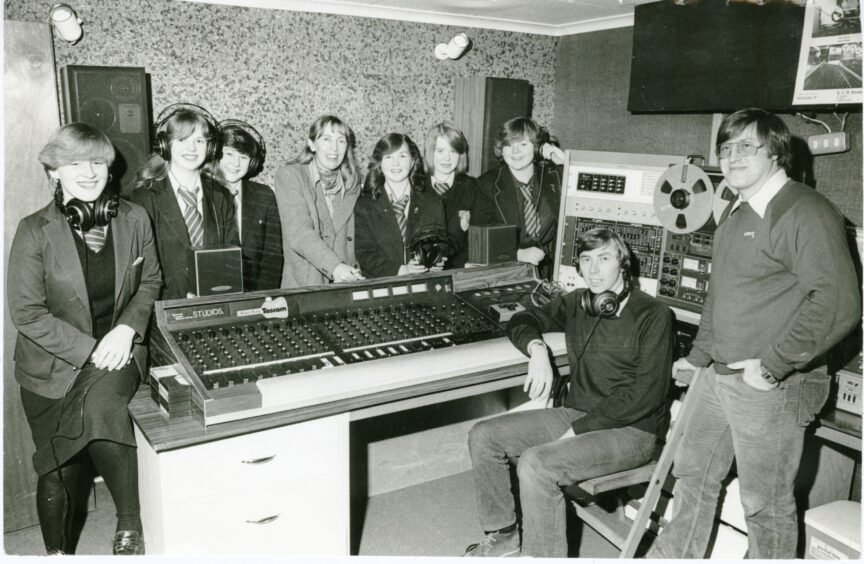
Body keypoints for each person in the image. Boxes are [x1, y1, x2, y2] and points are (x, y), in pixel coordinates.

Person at [647, 108, 861, 559]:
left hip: (771, 386)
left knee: (764, 505)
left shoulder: (806, 211)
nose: (732, 156)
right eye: (726, 147)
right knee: (692, 476)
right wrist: (699, 355)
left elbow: (839, 304)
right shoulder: (738, 210)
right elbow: (720, 294)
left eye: (747, 146)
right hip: (718, 377)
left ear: (777, 152)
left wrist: (772, 365)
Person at [464, 228, 673, 558]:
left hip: (632, 431)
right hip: (580, 413)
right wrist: (536, 350)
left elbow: (645, 395)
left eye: (604, 259)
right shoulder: (579, 303)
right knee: (483, 435)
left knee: (536, 464)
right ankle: (503, 535)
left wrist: (578, 429)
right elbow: (521, 317)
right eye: (586, 260)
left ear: (623, 264)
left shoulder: (654, 315)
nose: (593, 269)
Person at [7, 123, 162, 555]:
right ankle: (57, 551)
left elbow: (149, 280)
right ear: (54, 172)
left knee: (101, 408)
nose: (89, 172)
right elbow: (26, 313)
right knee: (59, 461)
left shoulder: (134, 218)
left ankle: (129, 524)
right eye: (75, 163)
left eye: (97, 162)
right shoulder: (34, 230)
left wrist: (127, 329)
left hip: (119, 353)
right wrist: (91, 348)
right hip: (52, 365)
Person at [131, 104, 239, 300]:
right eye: (182, 140)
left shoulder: (222, 197)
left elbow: (230, 261)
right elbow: (141, 272)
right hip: (163, 310)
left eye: (199, 140)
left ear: (211, 147)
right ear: (165, 145)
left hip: (212, 305)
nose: (192, 148)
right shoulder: (144, 198)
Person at [273, 115, 364, 288]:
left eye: (341, 141)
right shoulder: (290, 176)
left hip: (346, 285)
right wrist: (336, 267)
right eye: (327, 139)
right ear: (312, 144)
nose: (334, 148)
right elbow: (299, 231)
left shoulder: (353, 184)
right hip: (305, 286)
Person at [476, 117, 565, 280]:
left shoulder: (555, 177)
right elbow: (478, 236)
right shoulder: (485, 184)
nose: (515, 152)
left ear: (537, 148)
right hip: (505, 273)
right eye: (509, 145)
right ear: (501, 150)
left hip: (550, 275)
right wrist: (516, 253)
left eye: (523, 144)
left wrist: (564, 161)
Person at [355, 132, 447, 277]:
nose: (396, 163)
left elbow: (441, 244)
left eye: (402, 156)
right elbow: (364, 253)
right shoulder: (365, 205)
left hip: (422, 283)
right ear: (380, 163)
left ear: (412, 162)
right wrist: (399, 270)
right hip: (381, 286)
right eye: (389, 157)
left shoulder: (433, 203)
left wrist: (438, 260)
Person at [210, 120, 283, 291]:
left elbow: (272, 258)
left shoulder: (264, 195)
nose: (236, 164)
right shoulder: (202, 194)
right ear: (214, 155)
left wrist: (262, 298)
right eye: (229, 154)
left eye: (243, 157)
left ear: (251, 162)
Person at [423, 122, 495, 269]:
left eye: (453, 151)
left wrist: (472, 262)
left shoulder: (472, 187)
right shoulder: (416, 187)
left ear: (461, 155)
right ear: (431, 153)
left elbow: (482, 232)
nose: (447, 158)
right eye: (440, 151)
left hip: (460, 271)